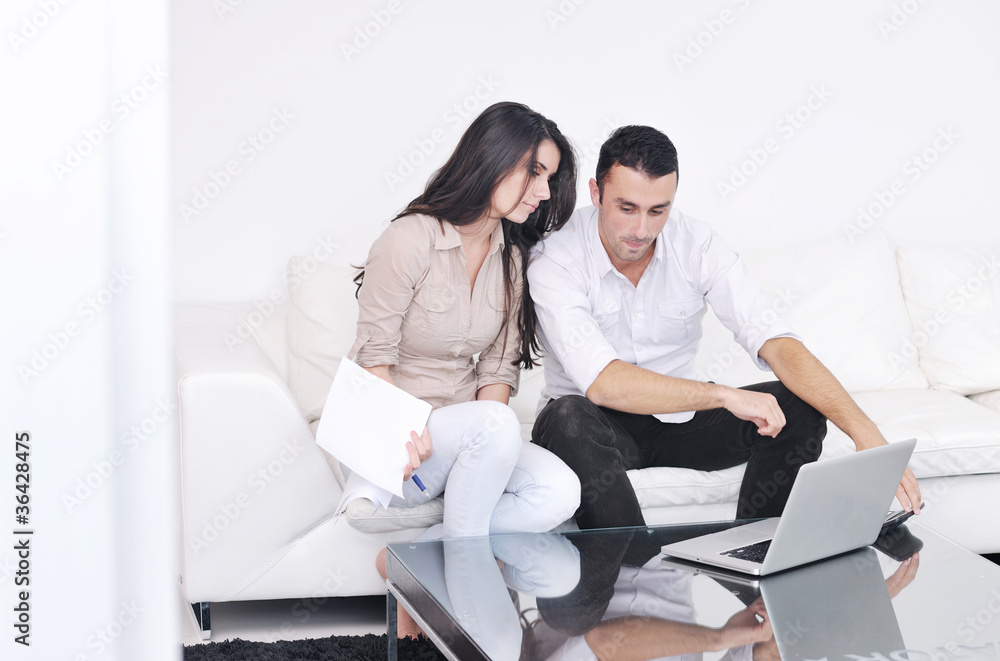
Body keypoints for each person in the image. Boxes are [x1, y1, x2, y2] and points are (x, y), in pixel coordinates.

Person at [527, 125, 921, 530]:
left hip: (677, 425)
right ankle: (635, 561)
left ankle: (757, 552)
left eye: (657, 211)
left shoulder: (696, 244)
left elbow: (776, 341)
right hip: (595, 426)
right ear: (596, 193)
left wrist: (866, 434)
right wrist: (723, 395)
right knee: (567, 416)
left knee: (799, 405)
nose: (641, 231)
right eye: (626, 208)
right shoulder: (556, 256)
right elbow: (604, 384)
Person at [349, 101, 581, 632]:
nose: (544, 192)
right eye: (535, 172)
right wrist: (405, 437)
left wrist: (488, 456)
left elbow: (497, 370)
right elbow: (372, 355)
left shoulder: (511, 258)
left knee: (560, 491)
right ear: (493, 159)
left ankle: (413, 561)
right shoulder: (409, 240)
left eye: (549, 178)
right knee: (495, 426)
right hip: (399, 448)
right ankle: (474, 612)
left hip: (468, 441)